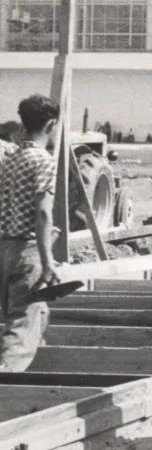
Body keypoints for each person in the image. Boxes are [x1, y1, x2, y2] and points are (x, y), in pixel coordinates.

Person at [0, 95, 61, 372]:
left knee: (36, 313)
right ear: (51, 124)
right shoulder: (43, 160)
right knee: (21, 328)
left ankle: (35, 379)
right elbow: (44, 213)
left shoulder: (9, 159)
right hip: (28, 251)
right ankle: (9, 390)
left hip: (6, 249)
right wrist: (48, 260)